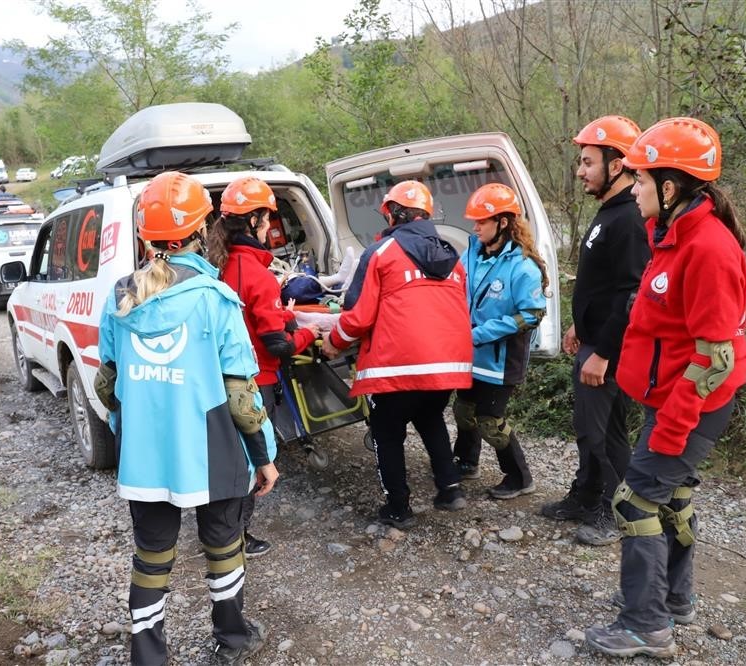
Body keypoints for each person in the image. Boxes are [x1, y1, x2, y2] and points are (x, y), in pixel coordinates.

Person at [96, 171, 278, 666]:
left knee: (151, 555)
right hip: (212, 450)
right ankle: (232, 637)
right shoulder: (215, 298)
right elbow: (242, 394)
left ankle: (149, 655)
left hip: (144, 455)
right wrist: (264, 456)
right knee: (223, 544)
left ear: (144, 236)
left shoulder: (119, 298)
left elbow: (108, 384)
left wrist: (126, 433)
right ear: (202, 231)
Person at [585, 117, 746, 658]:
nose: (632, 188)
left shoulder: (709, 247)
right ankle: (674, 599)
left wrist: (673, 426)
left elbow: (715, 358)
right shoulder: (672, 233)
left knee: (634, 503)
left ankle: (645, 625)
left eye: (639, 179)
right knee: (673, 499)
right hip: (672, 397)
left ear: (670, 187)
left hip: (693, 403)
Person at [321, 180, 472, 528]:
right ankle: (450, 489)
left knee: (387, 433)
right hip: (447, 364)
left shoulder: (382, 253)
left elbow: (358, 314)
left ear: (394, 213)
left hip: (398, 364)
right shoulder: (452, 257)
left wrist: (334, 341)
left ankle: (398, 507)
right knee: (431, 418)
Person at [540, 116, 650, 546]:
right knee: (589, 428)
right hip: (594, 341)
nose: (580, 171)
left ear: (617, 165)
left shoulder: (628, 220)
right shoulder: (610, 212)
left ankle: (614, 510)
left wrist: (603, 350)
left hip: (610, 349)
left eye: (587, 162)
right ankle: (586, 495)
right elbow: (601, 285)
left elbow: (631, 292)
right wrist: (578, 325)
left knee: (605, 433)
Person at [207, 176, 320, 557]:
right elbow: (278, 346)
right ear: (255, 220)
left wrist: (279, 317)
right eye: (266, 217)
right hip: (256, 381)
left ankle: (225, 531)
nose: (268, 224)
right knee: (255, 460)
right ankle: (236, 538)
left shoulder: (216, 266)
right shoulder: (257, 273)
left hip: (217, 379)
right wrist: (310, 333)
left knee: (229, 456)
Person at [451, 183, 547, 500]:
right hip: (470, 354)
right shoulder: (471, 255)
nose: (475, 227)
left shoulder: (523, 267)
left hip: (502, 360)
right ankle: (466, 462)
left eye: (481, 221)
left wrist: (478, 334)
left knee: (491, 421)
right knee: (464, 411)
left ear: (503, 222)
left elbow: (531, 314)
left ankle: (519, 478)